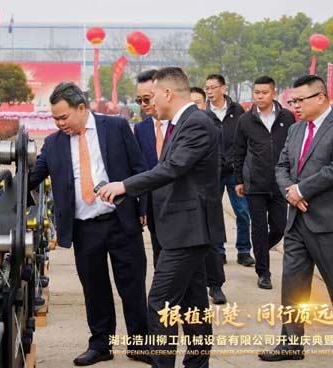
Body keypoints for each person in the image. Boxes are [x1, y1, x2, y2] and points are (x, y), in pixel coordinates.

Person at [97, 67, 224, 368]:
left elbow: (172, 168)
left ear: (167, 93)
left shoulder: (197, 123)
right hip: (180, 229)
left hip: (188, 231)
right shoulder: (181, 123)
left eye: (152, 95)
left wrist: (124, 186)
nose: (150, 102)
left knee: (160, 302)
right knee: (194, 305)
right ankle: (197, 365)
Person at [29, 82, 150, 366]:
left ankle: (140, 344)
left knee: (132, 286)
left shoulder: (116, 128)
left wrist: (143, 207)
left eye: (64, 117)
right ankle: (100, 345)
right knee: (95, 290)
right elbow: (31, 178)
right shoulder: (54, 144)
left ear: (81, 108)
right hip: (84, 228)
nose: (60, 124)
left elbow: (139, 169)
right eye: (55, 119)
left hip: (121, 221)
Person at [259, 74, 333, 364]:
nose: (294, 105)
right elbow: (281, 167)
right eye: (291, 101)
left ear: (320, 97)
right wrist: (290, 192)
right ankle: (291, 343)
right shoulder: (296, 130)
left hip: (331, 224)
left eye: (299, 100)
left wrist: (302, 189)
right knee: (293, 285)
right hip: (297, 223)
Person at [234, 76, 295, 290]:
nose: (260, 96)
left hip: (280, 183)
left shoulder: (287, 117)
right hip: (255, 184)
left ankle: (260, 250)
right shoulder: (245, 120)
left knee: (279, 227)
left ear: (273, 93)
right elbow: (239, 152)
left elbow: (293, 149)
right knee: (258, 229)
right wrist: (239, 180)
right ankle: (263, 272)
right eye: (256, 93)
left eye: (264, 93)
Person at [203, 74, 254, 268]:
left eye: (213, 87)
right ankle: (218, 251)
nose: (209, 91)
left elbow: (244, 139)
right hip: (213, 172)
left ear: (223, 88)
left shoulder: (237, 110)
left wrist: (238, 163)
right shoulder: (204, 113)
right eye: (207, 88)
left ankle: (244, 251)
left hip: (235, 171)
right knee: (214, 213)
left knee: (243, 212)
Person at [190, 85, 229, 305]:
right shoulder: (178, 125)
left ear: (204, 103)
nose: (194, 107)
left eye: (197, 103)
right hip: (183, 196)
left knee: (211, 243)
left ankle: (216, 286)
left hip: (208, 193)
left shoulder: (212, 124)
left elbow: (220, 158)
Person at [133, 69, 166, 267]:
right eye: (139, 101)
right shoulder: (141, 128)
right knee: (158, 250)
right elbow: (140, 169)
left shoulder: (183, 124)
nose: (144, 105)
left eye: (147, 99)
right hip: (154, 201)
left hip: (182, 202)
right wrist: (142, 206)